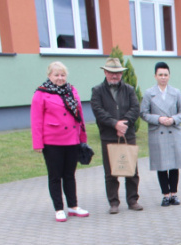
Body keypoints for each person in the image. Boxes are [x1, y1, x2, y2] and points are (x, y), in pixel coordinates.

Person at [31, 61, 90, 222]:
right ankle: (58, 208)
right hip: (52, 142)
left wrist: (82, 137)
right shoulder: (41, 93)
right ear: (49, 76)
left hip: (72, 140)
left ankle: (73, 206)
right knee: (55, 176)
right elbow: (36, 120)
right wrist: (38, 143)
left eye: (62, 75)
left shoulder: (72, 90)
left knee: (70, 175)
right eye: (56, 75)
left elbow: (79, 115)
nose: (60, 78)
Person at [91, 57, 143, 214]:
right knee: (111, 171)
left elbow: (135, 108)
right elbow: (98, 111)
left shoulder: (129, 89)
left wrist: (124, 124)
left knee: (132, 170)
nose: (115, 76)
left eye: (118, 73)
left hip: (127, 134)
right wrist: (115, 124)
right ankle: (113, 202)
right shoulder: (97, 90)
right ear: (105, 72)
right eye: (112, 73)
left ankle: (132, 200)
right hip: (108, 135)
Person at [140, 61, 181, 207]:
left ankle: (174, 194)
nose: (163, 77)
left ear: (169, 76)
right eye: (160, 75)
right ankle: (165, 195)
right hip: (157, 132)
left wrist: (173, 119)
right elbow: (143, 113)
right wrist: (158, 119)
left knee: (174, 165)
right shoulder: (149, 93)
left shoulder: (176, 92)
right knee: (161, 165)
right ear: (155, 76)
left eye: (165, 75)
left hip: (173, 131)